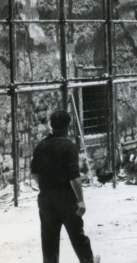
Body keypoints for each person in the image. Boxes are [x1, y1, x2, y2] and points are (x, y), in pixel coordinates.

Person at [30, 109, 100, 263]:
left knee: (49, 239)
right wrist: (80, 200)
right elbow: (74, 177)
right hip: (66, 198)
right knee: (77, 235)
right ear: (68, 127)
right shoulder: (69, 147)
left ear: (51, 126)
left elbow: (34, 173)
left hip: (46, 199)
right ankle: (88, 261)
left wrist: (47, 187)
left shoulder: (40, 146)